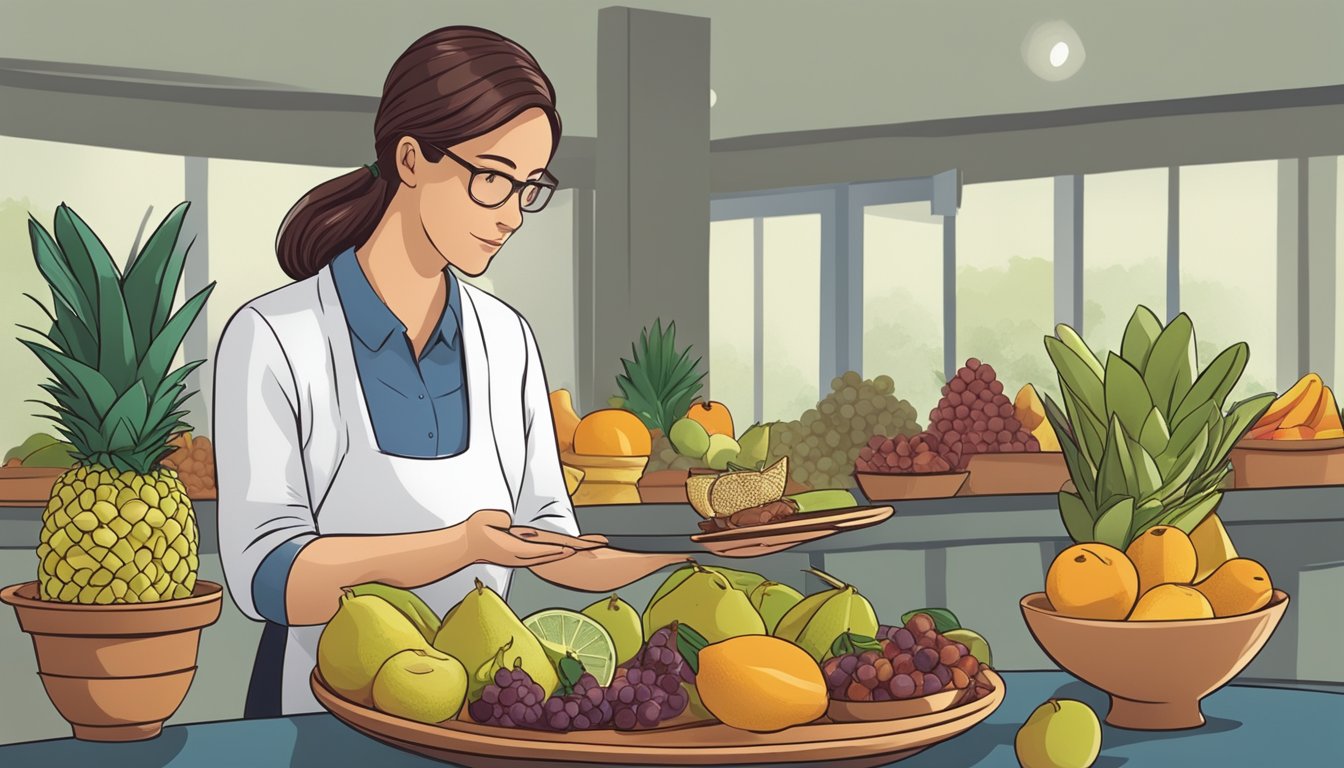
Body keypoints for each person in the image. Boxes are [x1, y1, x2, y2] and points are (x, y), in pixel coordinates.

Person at [214, 26, 702, 717]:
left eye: (529, 188)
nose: (512, 216)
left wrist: (696, 553)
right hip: (319, 712)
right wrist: (461, 544)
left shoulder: (505, 338)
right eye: (493, 179)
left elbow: (550, 546)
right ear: (411, 158)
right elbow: (271, 578)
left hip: (479, 712)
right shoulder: (277, 336)